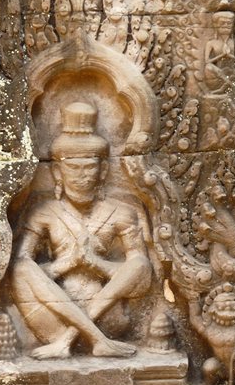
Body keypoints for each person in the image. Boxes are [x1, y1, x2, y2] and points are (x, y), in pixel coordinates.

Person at [10, 102, 152, 359]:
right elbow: (24, 272)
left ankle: (72, 340)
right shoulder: (43, 212)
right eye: (73, 168)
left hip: (108, 317)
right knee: (21, 267)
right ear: (57, 171)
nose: (82, 176)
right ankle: (93, 341)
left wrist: (95, 264)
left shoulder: (121, 212)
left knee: (140, 263)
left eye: (89, 168)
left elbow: (140, 280)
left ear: (103, 170)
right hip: (53, 319)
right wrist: (66, 264)